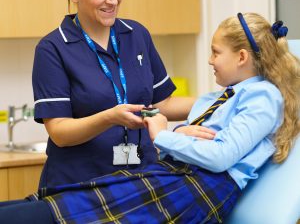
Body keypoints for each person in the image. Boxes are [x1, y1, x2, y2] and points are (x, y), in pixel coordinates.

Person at [0, 12, 299, 223]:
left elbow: (220, 156)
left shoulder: (262, 97)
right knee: (55, 207)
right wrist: (178, 134)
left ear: (242, 57)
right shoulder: (223, 96)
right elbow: (193, 130)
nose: (209, 59)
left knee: (61, 213)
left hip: (197, 188)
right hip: (176, 176)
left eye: (215, 52)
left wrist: (162, 136)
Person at [30, 0, 200, 189]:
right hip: (79, 186)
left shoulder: (136, 34)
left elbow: (163, 104)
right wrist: (110, 117)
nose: (113, 0)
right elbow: (59, 131)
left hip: (142, 179)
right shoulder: (53, 48)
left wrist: (224, 98)